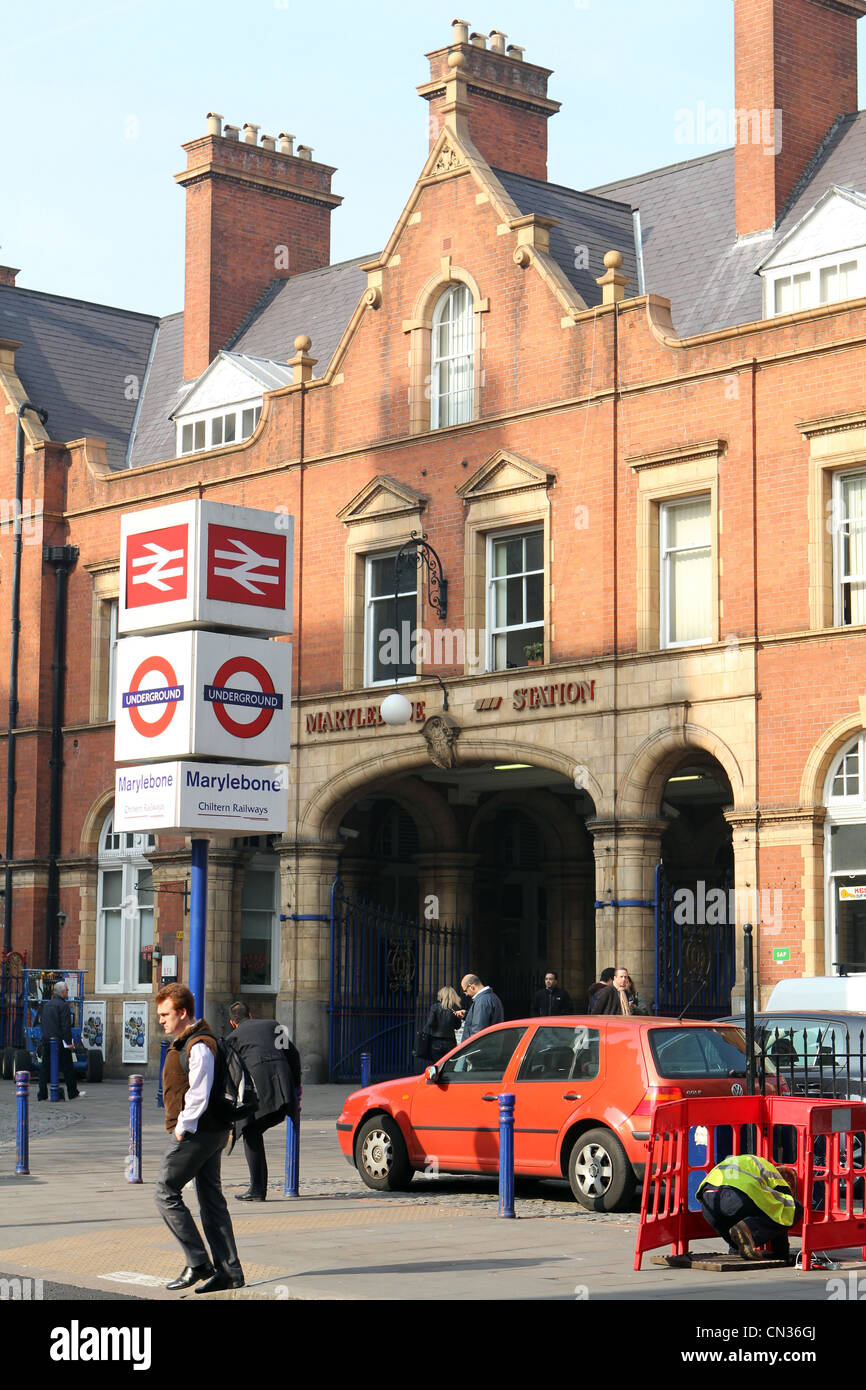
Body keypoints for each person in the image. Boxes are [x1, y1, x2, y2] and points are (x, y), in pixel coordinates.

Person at [154, 983, 244, 1293]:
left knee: (165, 1191)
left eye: (165, 1014)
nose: (161, 1020)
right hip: (210, 1131)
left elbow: (199, 1091)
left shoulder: (199, 1044)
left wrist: (182, 1127)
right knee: (211, 1200)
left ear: (182, 1012)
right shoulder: (188, 1040)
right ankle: (229, 1271)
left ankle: (198, 1262)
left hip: (197, 1133)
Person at [227, 1001, 300, 1202]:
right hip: (284, 1091)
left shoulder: (232, 1038)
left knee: (249, 1131)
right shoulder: (272, 1025)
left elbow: (233, 1073)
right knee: (254, 1132)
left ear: (233, 1023)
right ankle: (257, 1189)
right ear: (251, 1016)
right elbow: (293, 1055)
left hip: (264, 1093)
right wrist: (296, 1088)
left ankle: (257, 1190)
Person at [697, 1154, 803, 1260]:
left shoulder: (748, 1164)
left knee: (738, 1233)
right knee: (793, 1208)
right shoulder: (777, 1178)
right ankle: (749, 1231)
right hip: (738, 1195)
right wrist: (782, 1254)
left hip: (709, 1203)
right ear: (789, 1183)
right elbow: (782, 1215)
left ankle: (737, 1251)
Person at [37, 980, 83, 1101]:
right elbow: (65, 1027)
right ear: (62, 992)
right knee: (68, 1068)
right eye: (67, 990)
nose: (67, 992)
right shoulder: (63, 1006)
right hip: (60, 1042)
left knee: (45, 1068)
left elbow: (43, 1024)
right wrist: (69, 1043)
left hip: (47, 1040)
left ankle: (42, 1094)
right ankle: (72, 1092)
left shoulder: (46, 1005)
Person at [417, 985, 462, 1065]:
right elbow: (457, 1026)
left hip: (436, 1042)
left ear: (441, 995)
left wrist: (437, 1025)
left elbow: (430, 1023)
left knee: (437, 1066)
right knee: (448, 1066)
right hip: (450, 1041)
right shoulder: (455, 1008)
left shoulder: (435, 1007)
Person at [456, 974, 504, 1039]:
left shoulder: (482, 1001)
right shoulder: (492, 997)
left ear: (471, 987)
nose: (466, 994)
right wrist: (467, 1015)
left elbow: (478, 1031)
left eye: (465, 991)